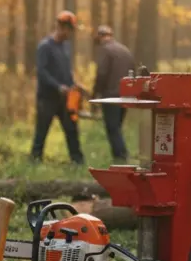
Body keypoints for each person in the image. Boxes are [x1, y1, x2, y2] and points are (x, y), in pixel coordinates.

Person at [31, 11, 85, 164]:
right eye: (70, 30)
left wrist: (74, 84)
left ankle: (78, 161)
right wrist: (58, 86)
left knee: (72, 130)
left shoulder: (66, 46)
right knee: (41, 131)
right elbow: (42, 71)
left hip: (65, 98)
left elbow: (66, 70)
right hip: (47, 98)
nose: (70, 34)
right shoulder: (45, 46)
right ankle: (34, 161)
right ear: (62, 27)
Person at [91, 25, 136, 162]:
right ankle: (122, 156)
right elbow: (133, 71)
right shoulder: (125, 50)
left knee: (113, 128)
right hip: (126, 95)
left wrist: (95, 94)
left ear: (100, 36)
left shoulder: (105, 50)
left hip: (111, 96)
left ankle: (121, 157)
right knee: (117, 127)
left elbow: (102, 74)